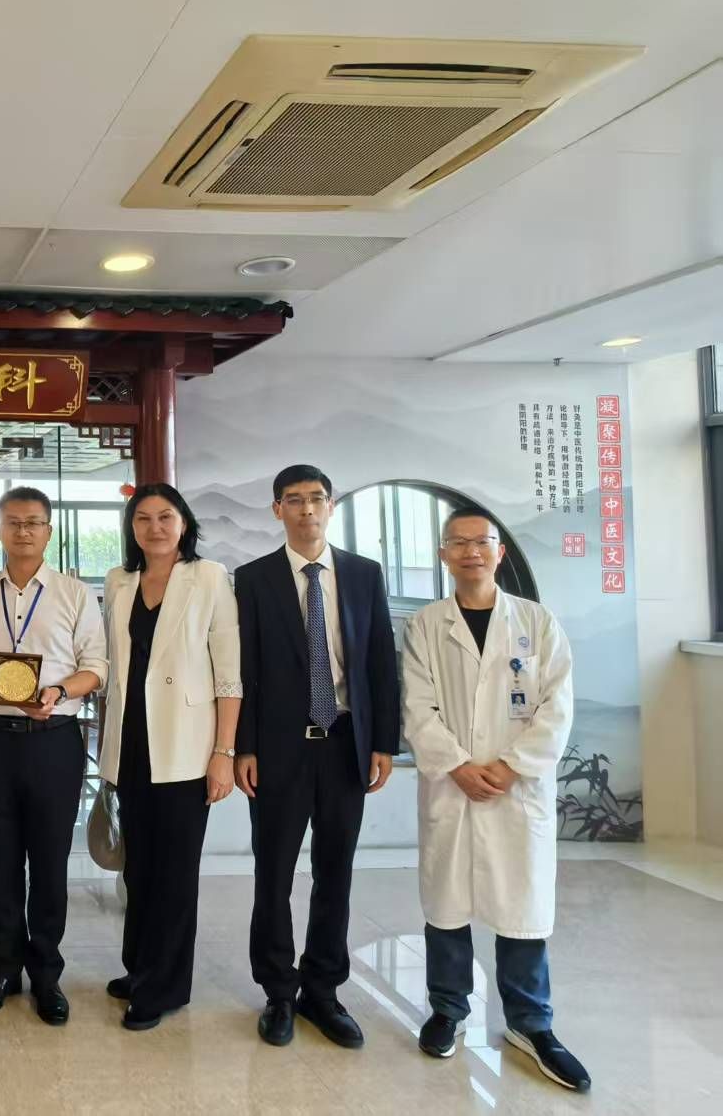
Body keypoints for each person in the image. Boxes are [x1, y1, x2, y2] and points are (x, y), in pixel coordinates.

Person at [401, 508, 590, 1091]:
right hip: (452, 786)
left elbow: (557, 708)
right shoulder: (426, 625)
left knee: (522, 906)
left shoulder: (537, 622)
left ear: (499, 551)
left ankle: (532, 1024)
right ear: (443, 554)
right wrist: (457, 765)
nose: (470, 552)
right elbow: (417, 707)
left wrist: (510, 767)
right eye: (457, 543)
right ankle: (448, 1010)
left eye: (481, 542)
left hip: (517, 789)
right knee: (447, 902)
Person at [233, 464, 398, 1050]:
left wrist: (384, 741)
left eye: (316, 498)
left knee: (336, 872)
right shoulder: (252, 579)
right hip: (279, 750)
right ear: (277, 509)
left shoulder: (363, 574)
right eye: (294, 500)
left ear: (331, 505)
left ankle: (323, 991)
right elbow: (245, 669)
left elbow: (380, 661)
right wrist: (244, 746)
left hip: (346, 745)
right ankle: (279, 992)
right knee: (273, 873)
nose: (307, 509)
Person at [0, 486, 107, 1025]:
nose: (23, 531)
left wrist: (58, 692)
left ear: (49, 531)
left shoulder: (75, 594)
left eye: (33, 522)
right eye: (13, 522)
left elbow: (96, 666)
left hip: (54, 741)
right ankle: (2, 971)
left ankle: (46, 976)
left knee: (49, 863)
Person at [99, 484, 240, 1032]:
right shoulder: (119, 580)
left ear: (184, 523)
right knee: (139, 868)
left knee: (174, 874)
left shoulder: (208, 577)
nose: (154, 527)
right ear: (131, 527)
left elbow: (229, 673)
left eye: (165, 517)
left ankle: (163, 986)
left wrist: (223, 752)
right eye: (143, 518)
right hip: (132, 743)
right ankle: (140, 967)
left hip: (186, 747)